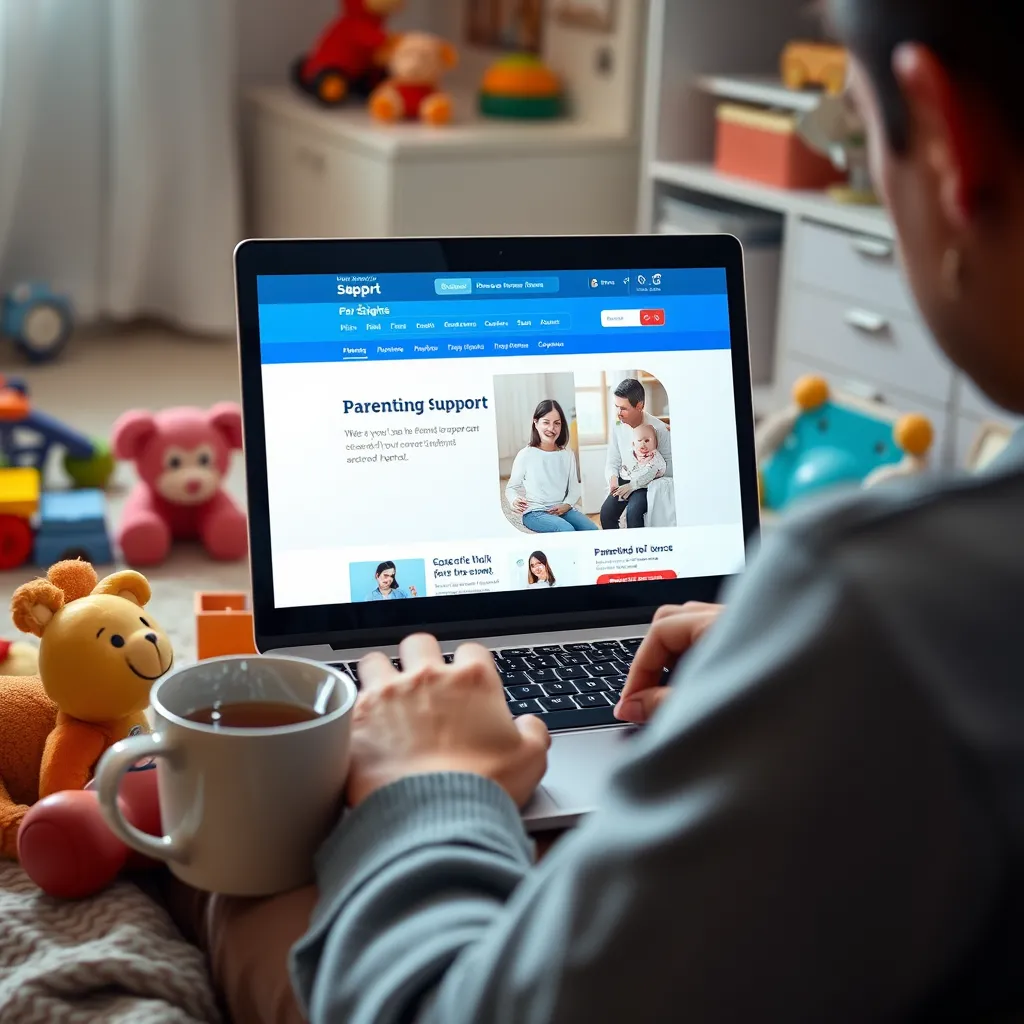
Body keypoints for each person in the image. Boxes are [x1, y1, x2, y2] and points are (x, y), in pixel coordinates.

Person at [290, 4, 1024, 1018]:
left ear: (945, 140)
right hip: (574, 545)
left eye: (858, 123)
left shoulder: (881, 609)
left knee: (258, 894)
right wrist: (785, 659)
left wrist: (428, 787)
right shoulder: (913, 608)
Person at [505, 399, 597, 534]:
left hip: (563, 509)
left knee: (593, 530)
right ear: (535, 422)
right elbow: (511, 488)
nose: (551, 428)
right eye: (546, 422)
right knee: (567, 529)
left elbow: (574, 486)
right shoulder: (526, 455)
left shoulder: (567, 454)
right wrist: (514, 500)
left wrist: (566, 505)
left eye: (557, 423)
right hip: (535, 512)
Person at [600, 378, 672, 530]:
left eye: (624, 408)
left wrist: (639, 482)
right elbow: (613, 459)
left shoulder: (659, 428)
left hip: (646, 484)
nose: (619, 414)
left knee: (634, 513)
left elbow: (669, 468)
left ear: (639, 405)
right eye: (616, 407)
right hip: (624, 479)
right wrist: (613, 480)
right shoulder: (616, 426)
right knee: (606, 514)